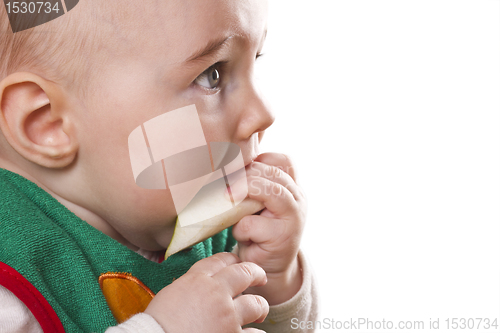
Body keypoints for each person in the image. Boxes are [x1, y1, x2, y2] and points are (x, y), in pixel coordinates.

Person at [0, 0, 318, 332]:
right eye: (212, 75)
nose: (263, 113)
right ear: (49, 124)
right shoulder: (11, 282)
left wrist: (275, 281)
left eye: (256, 59)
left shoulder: (210, 221)